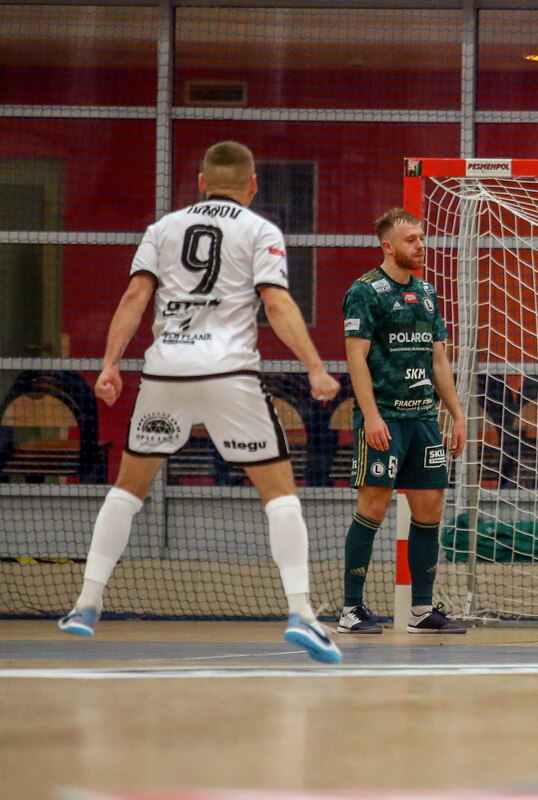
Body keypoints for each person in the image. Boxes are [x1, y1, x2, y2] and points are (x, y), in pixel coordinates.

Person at [57, 141, 342, 663]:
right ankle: (302, 612)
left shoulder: (162, 229)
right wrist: (316, 367)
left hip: (165, 370)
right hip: (229, 373)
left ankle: (85, 603)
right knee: (280, 495)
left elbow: (134, 298)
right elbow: (276, 302)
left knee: (127, 490)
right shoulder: (260, 230)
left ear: (200, 182)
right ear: (253, 184)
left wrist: (109, 363)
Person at [338, 208, 467, 635]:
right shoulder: (366, 291)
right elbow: (355, 357)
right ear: (388, 247)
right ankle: (351, 609)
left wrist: (457, 414)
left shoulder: (428, 293)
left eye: (421, 238)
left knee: (430, 509)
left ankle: (420, 610)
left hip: (424, 420)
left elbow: (438, 360)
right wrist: (371, 416)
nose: (420, 245)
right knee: (372, 507)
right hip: (384, 420)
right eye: (411, 240)